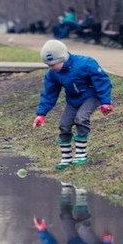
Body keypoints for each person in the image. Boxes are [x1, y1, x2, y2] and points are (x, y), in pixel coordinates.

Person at [32, 39, 113, 169]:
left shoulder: (85, 63)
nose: (52, 68)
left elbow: (102, 81)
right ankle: (66, 158)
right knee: (64, 125)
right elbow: (49, 93)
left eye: (53, 64)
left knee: (81, 118)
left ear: (62, 58)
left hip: (91, 96)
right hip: (73, 100)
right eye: (49, 65)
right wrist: (41, 113)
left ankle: (81, 154)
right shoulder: (53, 74)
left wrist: (105, 102)